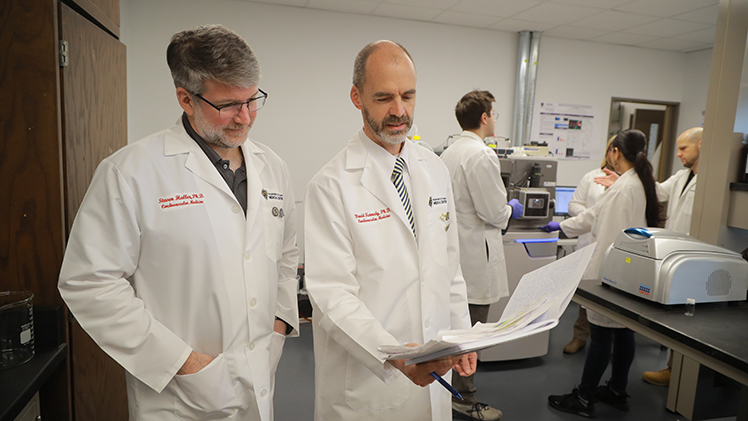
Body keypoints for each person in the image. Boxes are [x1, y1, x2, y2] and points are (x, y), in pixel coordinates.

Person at [58, 25, 299, 420]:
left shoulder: (272, 167)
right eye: (227, 105)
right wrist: (183, 362)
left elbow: (287, 254)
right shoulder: (130, 172)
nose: (245, 118)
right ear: (185, 99)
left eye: (252, 100)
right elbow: (89, 282)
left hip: (259, 374)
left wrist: (279, 324)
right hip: (180, 396)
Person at [304, 40, 476, 421]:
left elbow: (450, 269)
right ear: (356, 96)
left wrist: (462, 338)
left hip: (434, 371)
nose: (399, 111)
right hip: (370, 383)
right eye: (383, 98)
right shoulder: (331, 185)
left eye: (408, 96)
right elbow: (332, 296)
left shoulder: (434, 168)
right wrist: (394, 355)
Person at [541, 129, 661, 417]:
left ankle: (584, 398)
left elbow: (606, 238)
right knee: (622, 333)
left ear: (616, 153)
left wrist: (594, 280)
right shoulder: (633, 183)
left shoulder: (624, 188)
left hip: (611, 274)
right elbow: (593, 215)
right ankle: (617, 390)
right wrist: (564, 226)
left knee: (602, 335)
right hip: (628, 273)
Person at [439, 90, 523, 420]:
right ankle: (464, 397)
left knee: (455, 329)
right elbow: (494, 213)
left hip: (455, 255)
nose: (495, 120)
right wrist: (511, 208)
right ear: (485, 118)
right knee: (472, 331)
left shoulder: (449, 153)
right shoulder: (482, 155)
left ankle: (450, 390)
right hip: (475, 259)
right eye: (494, 114)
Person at [562, 136, 615, 355]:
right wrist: (589, 217)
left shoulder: (629, 182)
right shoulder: (592, 176)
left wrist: (595, 218)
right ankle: (580, 337)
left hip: (613, 246)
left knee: (612, 296)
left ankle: (608, 343)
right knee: (586, 294)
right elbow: (574, 203)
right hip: (588, 241)